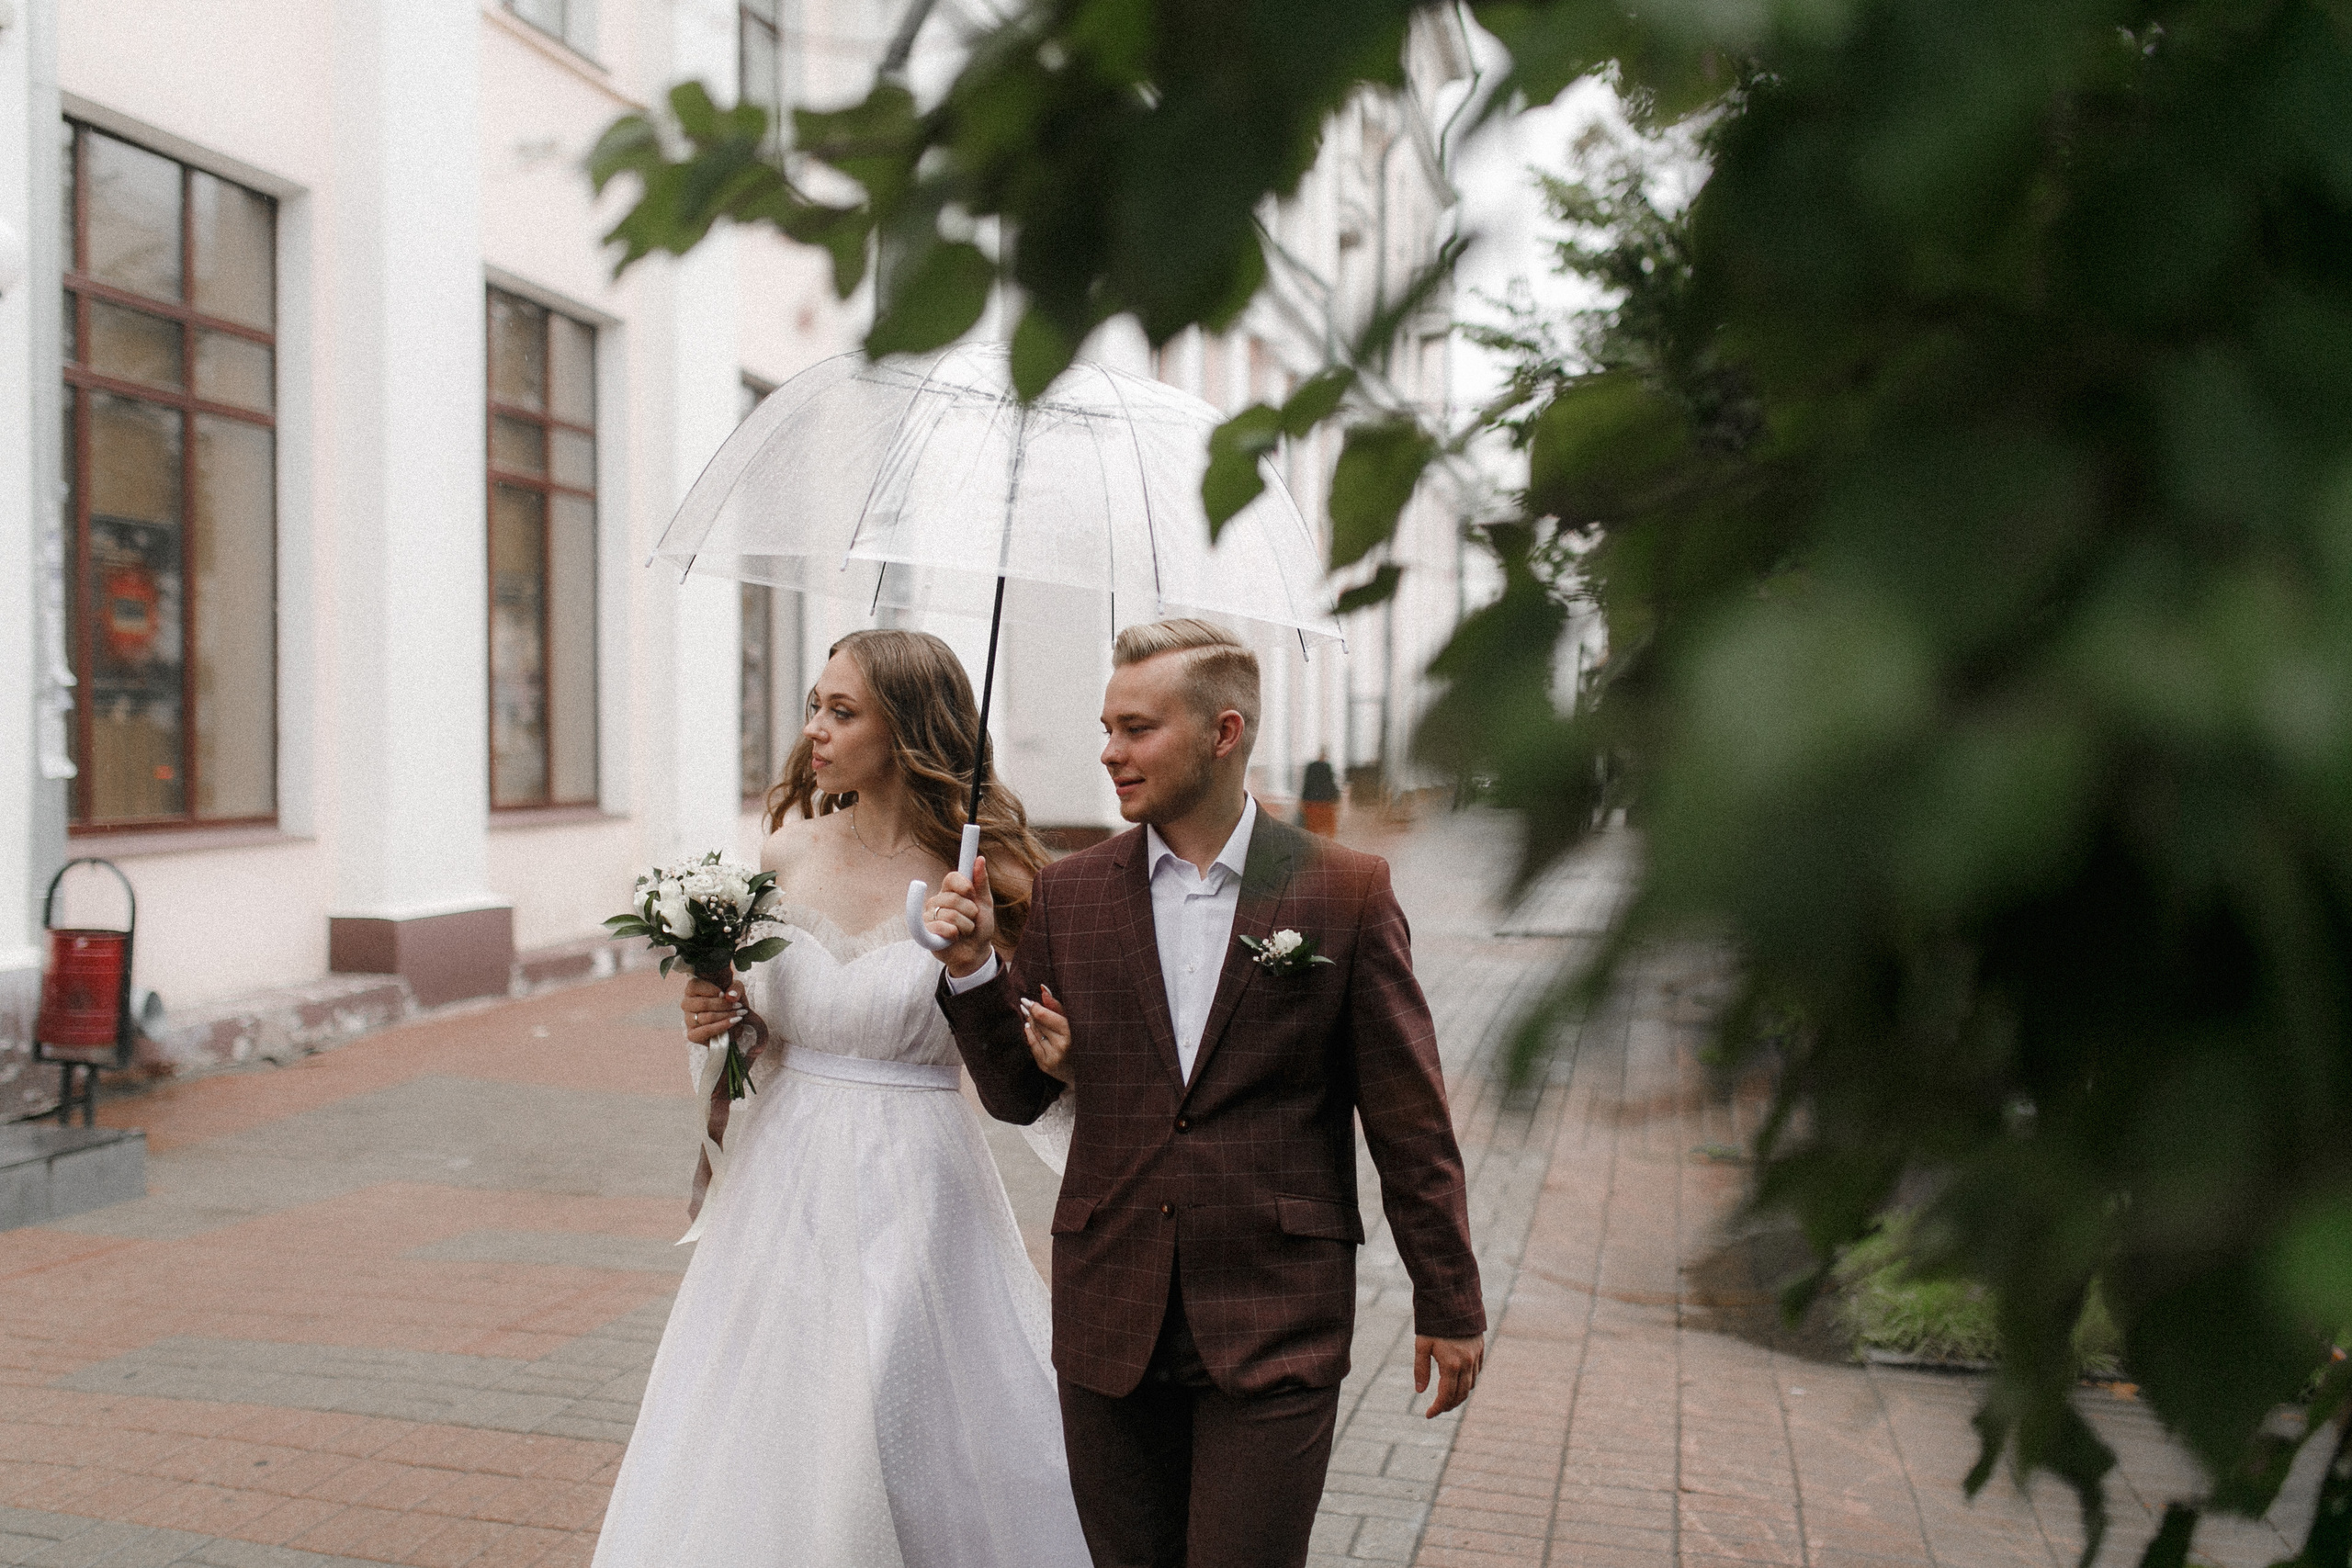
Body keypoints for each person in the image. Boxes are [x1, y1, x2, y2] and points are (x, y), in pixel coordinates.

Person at [923, 617, 1486, 1568]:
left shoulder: (1341, 891)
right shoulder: (1072, 894)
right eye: (1107, 728)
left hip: (1275, 1315)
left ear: (1225, 732)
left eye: (1138, 729)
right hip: (1110, 1311)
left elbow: (1408, 1119)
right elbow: (1017, 1097)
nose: (1110, 752)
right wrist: (975, 968)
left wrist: (1449, 1298)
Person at [592, 629, 1092, 1568]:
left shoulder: (992, 876)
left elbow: (1031, 1064)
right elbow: (766, 1034)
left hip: (919, 1180)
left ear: (905, 728)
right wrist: (720, 1020)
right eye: (814, 706)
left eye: (842, 710)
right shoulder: (783, 855)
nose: (814, 729)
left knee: (890, 1402)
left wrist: (983, 959)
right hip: (782, 1180)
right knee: (778, 1403)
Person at [1298, 749, 1340, 838]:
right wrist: (1336, 798)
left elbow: (1307, 784)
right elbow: (1331, 783)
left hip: (1312, 802)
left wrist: (1303, 800)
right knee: (1329, 829)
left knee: (1312, 827)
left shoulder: (1311, 767)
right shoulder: (1327, 767)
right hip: (1326, 802)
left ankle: (1313, 843)